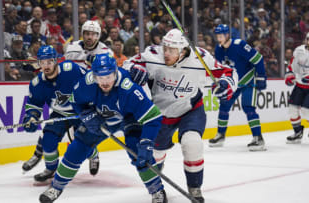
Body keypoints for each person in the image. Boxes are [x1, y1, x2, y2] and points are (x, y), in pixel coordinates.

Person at [124, 28, 238, 203]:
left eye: (172, 50)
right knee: (155, 154)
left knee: (192, 143)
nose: (166, 53)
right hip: (159, 115)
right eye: (165, 48)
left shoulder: (200, 57)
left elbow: (227, 72)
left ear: (184, 50)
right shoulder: (153, 54)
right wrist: (134, 69)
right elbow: (127, 65)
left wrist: (226, 83)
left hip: (190, 110)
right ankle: (157, 178)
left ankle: (195, 188)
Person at [39, 53, 167, 203]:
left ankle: (157, 190)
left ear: (115, 73)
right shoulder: (87, 83)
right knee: (77, 148)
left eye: (108, 77)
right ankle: (56, 186)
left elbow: (153, 118)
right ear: (94, 76)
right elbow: (75, 100)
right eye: (100, 78)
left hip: (129, 117)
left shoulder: (129, 89)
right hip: (102, 118)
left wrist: (146, 142)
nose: (105, 82)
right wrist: (86, 114)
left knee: (138, 150)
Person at [22, 20, 109, 173]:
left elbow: (104, 77)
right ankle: (46, 163)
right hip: (63, 102)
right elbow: (34, 104)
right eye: (86, 33)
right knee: (49, 136)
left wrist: (98, 66)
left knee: (80, 141)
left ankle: (93, 155)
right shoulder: (72, 48)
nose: (89, 37)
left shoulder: (105, 51)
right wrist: (31, 116)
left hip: (81, 102)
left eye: (93, 34)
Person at [209, 24, 267, 151]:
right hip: (233, 83)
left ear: (227, 35)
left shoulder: (239, 44)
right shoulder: (218, 49)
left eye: (221, 35)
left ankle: (258, 138)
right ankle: (220, 135)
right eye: (217, 36)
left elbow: (258, 59)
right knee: (223, 106)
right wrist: (218, 81)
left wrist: (261, 76)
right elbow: (220, 68)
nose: (218, 38)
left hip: (248, 80)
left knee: (248, 108)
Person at [285, 32, 309, 143]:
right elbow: (292, 65)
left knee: (305, 111)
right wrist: (289, 75)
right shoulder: (299, 50)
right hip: (299, 86)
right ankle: (298, 132)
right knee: (292, 109)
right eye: (308, 39)